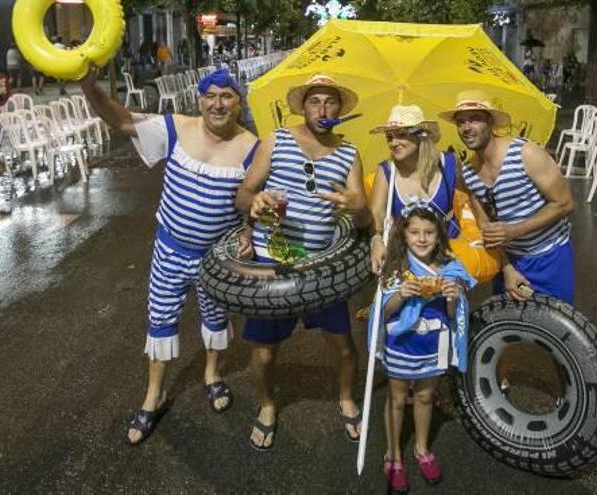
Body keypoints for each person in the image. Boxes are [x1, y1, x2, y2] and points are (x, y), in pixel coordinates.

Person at [80, 66, 259, 445]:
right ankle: (154, 394)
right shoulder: (176, 128)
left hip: (216, 259)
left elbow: (257, 205)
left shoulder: (253, 148)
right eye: (210, 95)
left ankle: (212, 375)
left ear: (239, 103)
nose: (218, 103)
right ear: (200, 100)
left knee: (215, 320)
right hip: (170, 250)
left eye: (227, 96)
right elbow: (121, 120)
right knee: (160, 321)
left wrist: (248, 231)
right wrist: (89, 86)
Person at [235, 73, 371, 451]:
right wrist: (256, 202)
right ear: (303, 106)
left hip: (321, 271)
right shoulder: (276, 140)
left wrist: (358, 208)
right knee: (263, 351)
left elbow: (361, 216)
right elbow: (244, 195)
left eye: (330, 102)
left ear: (340, 110)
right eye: (315, 101)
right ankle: (266, 405)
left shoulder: (349, 153)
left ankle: (345, 398)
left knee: (343, 347)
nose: (322, 109)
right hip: (273, 264)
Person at [369, 204, 475, 493]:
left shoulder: (450, 269)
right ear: (404, 234)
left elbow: (456, 317)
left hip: (434, 344)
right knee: (397, 399)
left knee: (426, 396)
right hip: (401, 344)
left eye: (429, 232)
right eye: (415, 232)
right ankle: (393, 454)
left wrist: (453, 298)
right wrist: (401, 294)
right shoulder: (396, 267)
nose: (422, 238)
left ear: (439, 237)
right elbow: (385, 310)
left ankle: (421, 448)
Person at [441, 90, 575, 303]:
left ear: (491, 123)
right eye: (461, 122)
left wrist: (514, 230)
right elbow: (488, 230)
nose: (467, 128)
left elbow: (565, 203)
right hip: (510, 261)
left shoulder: (526, 154)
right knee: (508, 329)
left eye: (475, 119)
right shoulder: (469, 173)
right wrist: (507, 268)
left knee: (554, 329)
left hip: (549, 256)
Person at [367, 104, 461, 275]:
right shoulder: (387, 171)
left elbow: (469, 205)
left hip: (449, 260)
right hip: (406, 265)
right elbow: (376, 215)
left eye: (401, 135)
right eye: (389, 137)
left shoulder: (449, 164)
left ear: (420, 136)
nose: (393, 143)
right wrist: (376, 240)